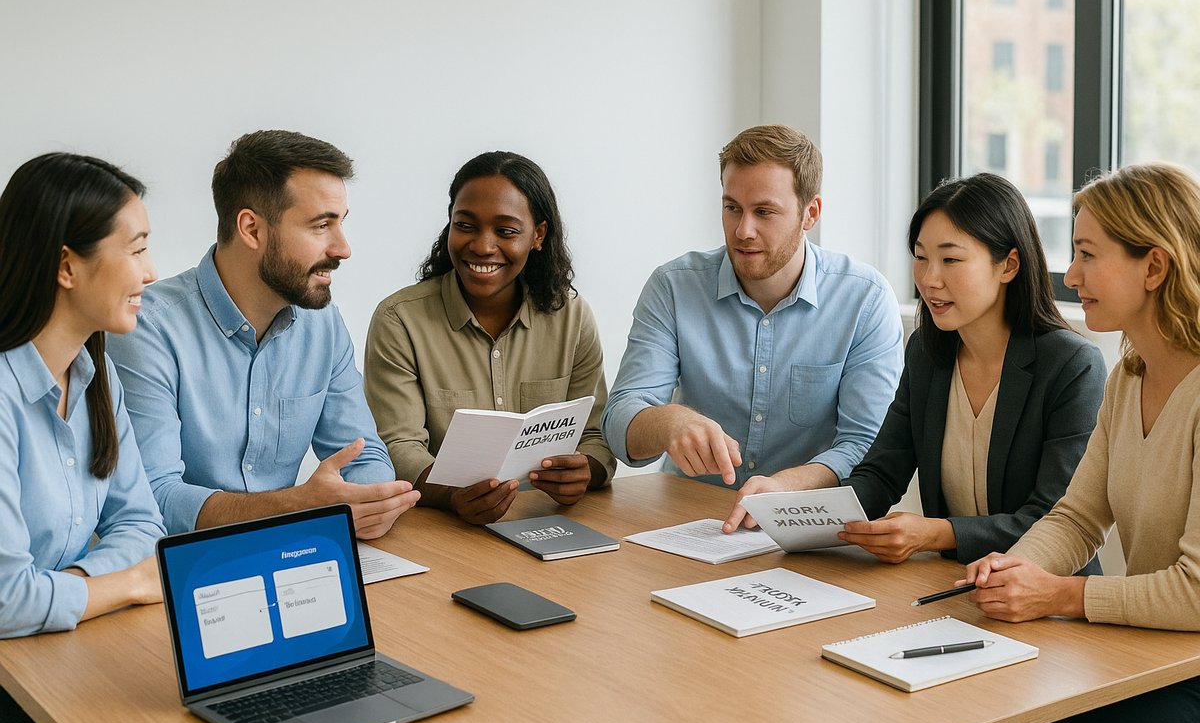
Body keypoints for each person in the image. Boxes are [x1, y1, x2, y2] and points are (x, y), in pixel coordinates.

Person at [951, 163, 1200, 723]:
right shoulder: (1128, 375)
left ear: (1155, 267)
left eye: (1088, 254)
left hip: (1185, 675)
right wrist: (1014, 570)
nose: (1071, 274)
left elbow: (1196, 593)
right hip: (1154, 659)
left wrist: (1058, 596)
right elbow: (1078, 517)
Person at [107, 130, 417, 538]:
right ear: (251, 229)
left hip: (293, 554)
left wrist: (368, 503)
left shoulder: (323, 324)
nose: (343, 248)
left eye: (341, 223)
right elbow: (154, 495)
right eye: (321, 225)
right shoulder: (146, 328)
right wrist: (296, 507)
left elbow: (363, 455)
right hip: (182, 570)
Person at [600, 124, 903, 523]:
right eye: (732, 208)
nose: (743, 231)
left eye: (764, 212)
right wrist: (669, 421)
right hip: (685, 521)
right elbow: (620, 417)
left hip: (804, 525)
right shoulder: (674, 286)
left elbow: (867, 444)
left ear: (810, 213)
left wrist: (785, 489)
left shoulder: (864, 299)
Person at [833, 173, 1106, 566]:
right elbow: (881, 473)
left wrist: (936, 534)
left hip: (1046, 594)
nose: (930, 280)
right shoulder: (926, 353)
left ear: (1009, 265)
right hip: (951, 585)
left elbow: (1054, 520)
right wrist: (805, 517)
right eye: (921, 257)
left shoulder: (1072, 365)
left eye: (951, 259)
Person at [0, 153, 168, 723]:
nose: (152, 273)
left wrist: (69, 586)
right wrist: (122, 587)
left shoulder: (97, 376)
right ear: (66, 265)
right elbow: (4, 601)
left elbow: (142, 523)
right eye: (138, 248)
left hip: (54, 654)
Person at [364, 151, 616, 525]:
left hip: (547, 521)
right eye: (465, 225)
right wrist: (452, 497)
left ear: (538, 236)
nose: (483, 246)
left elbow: (596, 433)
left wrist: (586, 470)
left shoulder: (572, 317)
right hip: (440, 530)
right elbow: (398, 448)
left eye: (506, 231)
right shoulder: (399, 320)